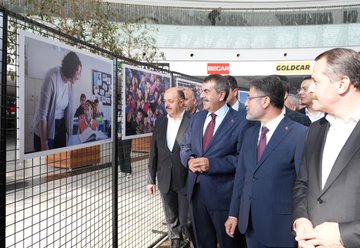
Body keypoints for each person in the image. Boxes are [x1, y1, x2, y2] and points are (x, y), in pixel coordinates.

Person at [225, 75, 307, 248]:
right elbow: (242, 177)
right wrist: (233, 214)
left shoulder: (299, 134)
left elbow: (304, 185)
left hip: (282, 229)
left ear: (265, 101)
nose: (245, 103)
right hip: (250, 226)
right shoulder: (249, 134)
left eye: (249, 98)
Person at [292, 48, 360, 248]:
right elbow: (302, 183)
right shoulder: (315, 130)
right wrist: (301, 219)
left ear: (342, 84)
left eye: (317, 82)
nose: (310, 89)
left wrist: (343, 234)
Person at [180, 74, 248, 248]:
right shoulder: (197, 118)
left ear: (221, 95)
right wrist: (189, 160)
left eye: (206, 91)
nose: (201, 95)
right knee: (202, 242)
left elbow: (243, 160)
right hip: (196, 194)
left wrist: (212, 165)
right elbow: (185, 146)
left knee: (230, 244)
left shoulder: (241, 122)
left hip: (224, 196)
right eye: (202, 91)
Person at [148, 87, 194, 248]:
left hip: (186, 180)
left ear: (182, 102)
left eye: (171, 101)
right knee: (171, 219)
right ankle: (176, 242)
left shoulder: (193, 121)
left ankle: (190, 241)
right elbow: (154, 152)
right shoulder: (160, 122)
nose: (166, 104)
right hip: (165, 179)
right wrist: (150, 179)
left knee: (187, 220)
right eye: (165, 101)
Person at [33, 51, 82, 151]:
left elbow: (70, 110)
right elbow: (43, 115)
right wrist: (44, 143)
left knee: (60, 158)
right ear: (71, 70)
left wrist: (70, 135)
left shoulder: (70, 83)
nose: (79, 76)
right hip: (46, 126)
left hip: (60, 126)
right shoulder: (51, 77)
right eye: (78, 72)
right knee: (46, 160)